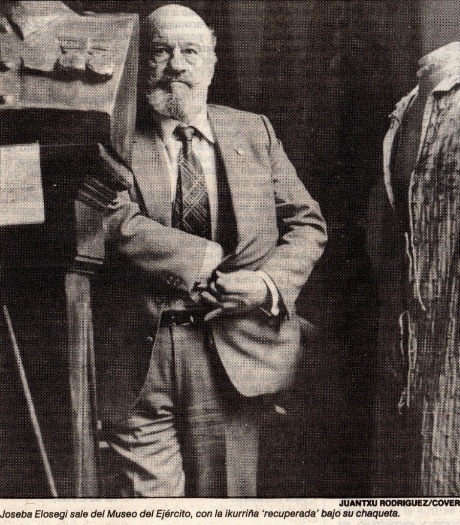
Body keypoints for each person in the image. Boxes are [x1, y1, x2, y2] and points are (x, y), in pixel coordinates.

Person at [97, 4, 327, 497]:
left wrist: (266, 285)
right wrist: (201, 259)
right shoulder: (114, 135)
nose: (176, 65)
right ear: (140, 61)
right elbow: (108, 217)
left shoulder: (254, 131)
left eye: (190, 52)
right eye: (160, 51)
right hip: (139, 352)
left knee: (224, 501)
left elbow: (306, 223)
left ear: (212, 62)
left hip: (234, 348)